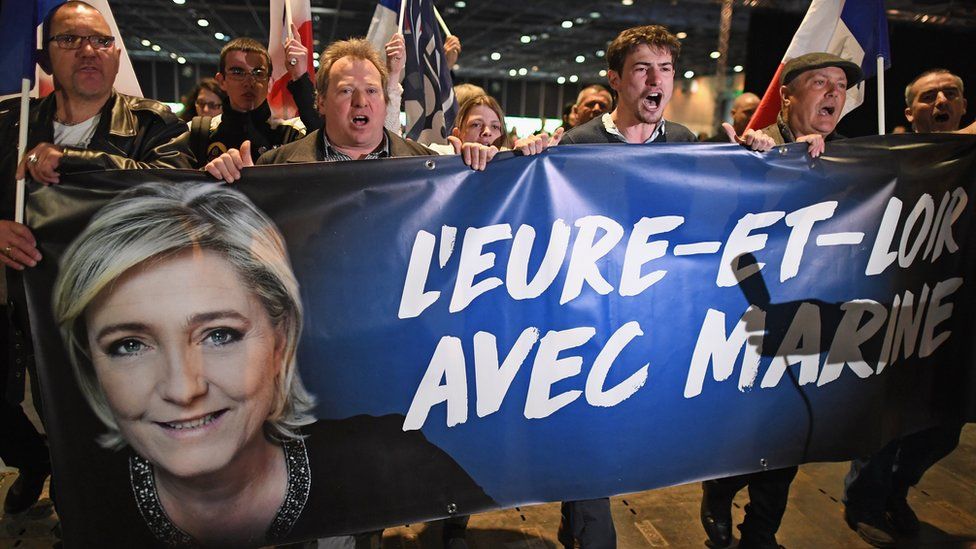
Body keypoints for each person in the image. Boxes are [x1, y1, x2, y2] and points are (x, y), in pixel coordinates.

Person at [51, 182, 494, 546]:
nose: (182, 388)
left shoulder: (390, 457)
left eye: (219, 335)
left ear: (281, 340)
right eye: (130, 345)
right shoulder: (90, 504)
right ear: (91, 364)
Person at [0, 0, 191, 515]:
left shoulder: (156, 123)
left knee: (135, 442)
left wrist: (77, 161)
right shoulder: (11, 122)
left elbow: (175, 189)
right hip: (34, 319)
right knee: (63, 432)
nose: (89, 51)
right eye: (70, 40)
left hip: (130, 319)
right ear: (44, 58)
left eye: (102, 41)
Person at [700, 52, 863, 549]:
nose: (834, 93)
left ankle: (761, 535)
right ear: (788, 96)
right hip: (747, 317)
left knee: (792, 432)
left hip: (814, 316)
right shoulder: (752, 149)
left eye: (840, 85)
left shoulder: (855, 159)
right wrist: (768, 165)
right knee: (748, 425)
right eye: (820, 82)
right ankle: (719, 489)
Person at [842, 68, 970, 548]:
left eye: (950, 94)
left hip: (956, 311)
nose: (941, 100)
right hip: (897, 308)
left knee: (945, 424)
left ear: (962, 106)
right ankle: (865, 502)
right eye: (929, 96)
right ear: (909, 112)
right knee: (888, 417)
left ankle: (897, 489)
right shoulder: (890, 161)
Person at [209, 38, 496, 174]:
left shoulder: (428, 165)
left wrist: (492, 164)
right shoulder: (273, 167)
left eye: (372, 90)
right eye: (346, 91)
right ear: (320, 101)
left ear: (385, 100)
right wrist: (236, 188)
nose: (361, 102)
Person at [190, 37, 309, 170]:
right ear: (221, 81)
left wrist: (301, 78)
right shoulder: (198, 133)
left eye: (258, 73)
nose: (249, 82)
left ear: (270, 83)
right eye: (237, 72)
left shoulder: (292, 132)